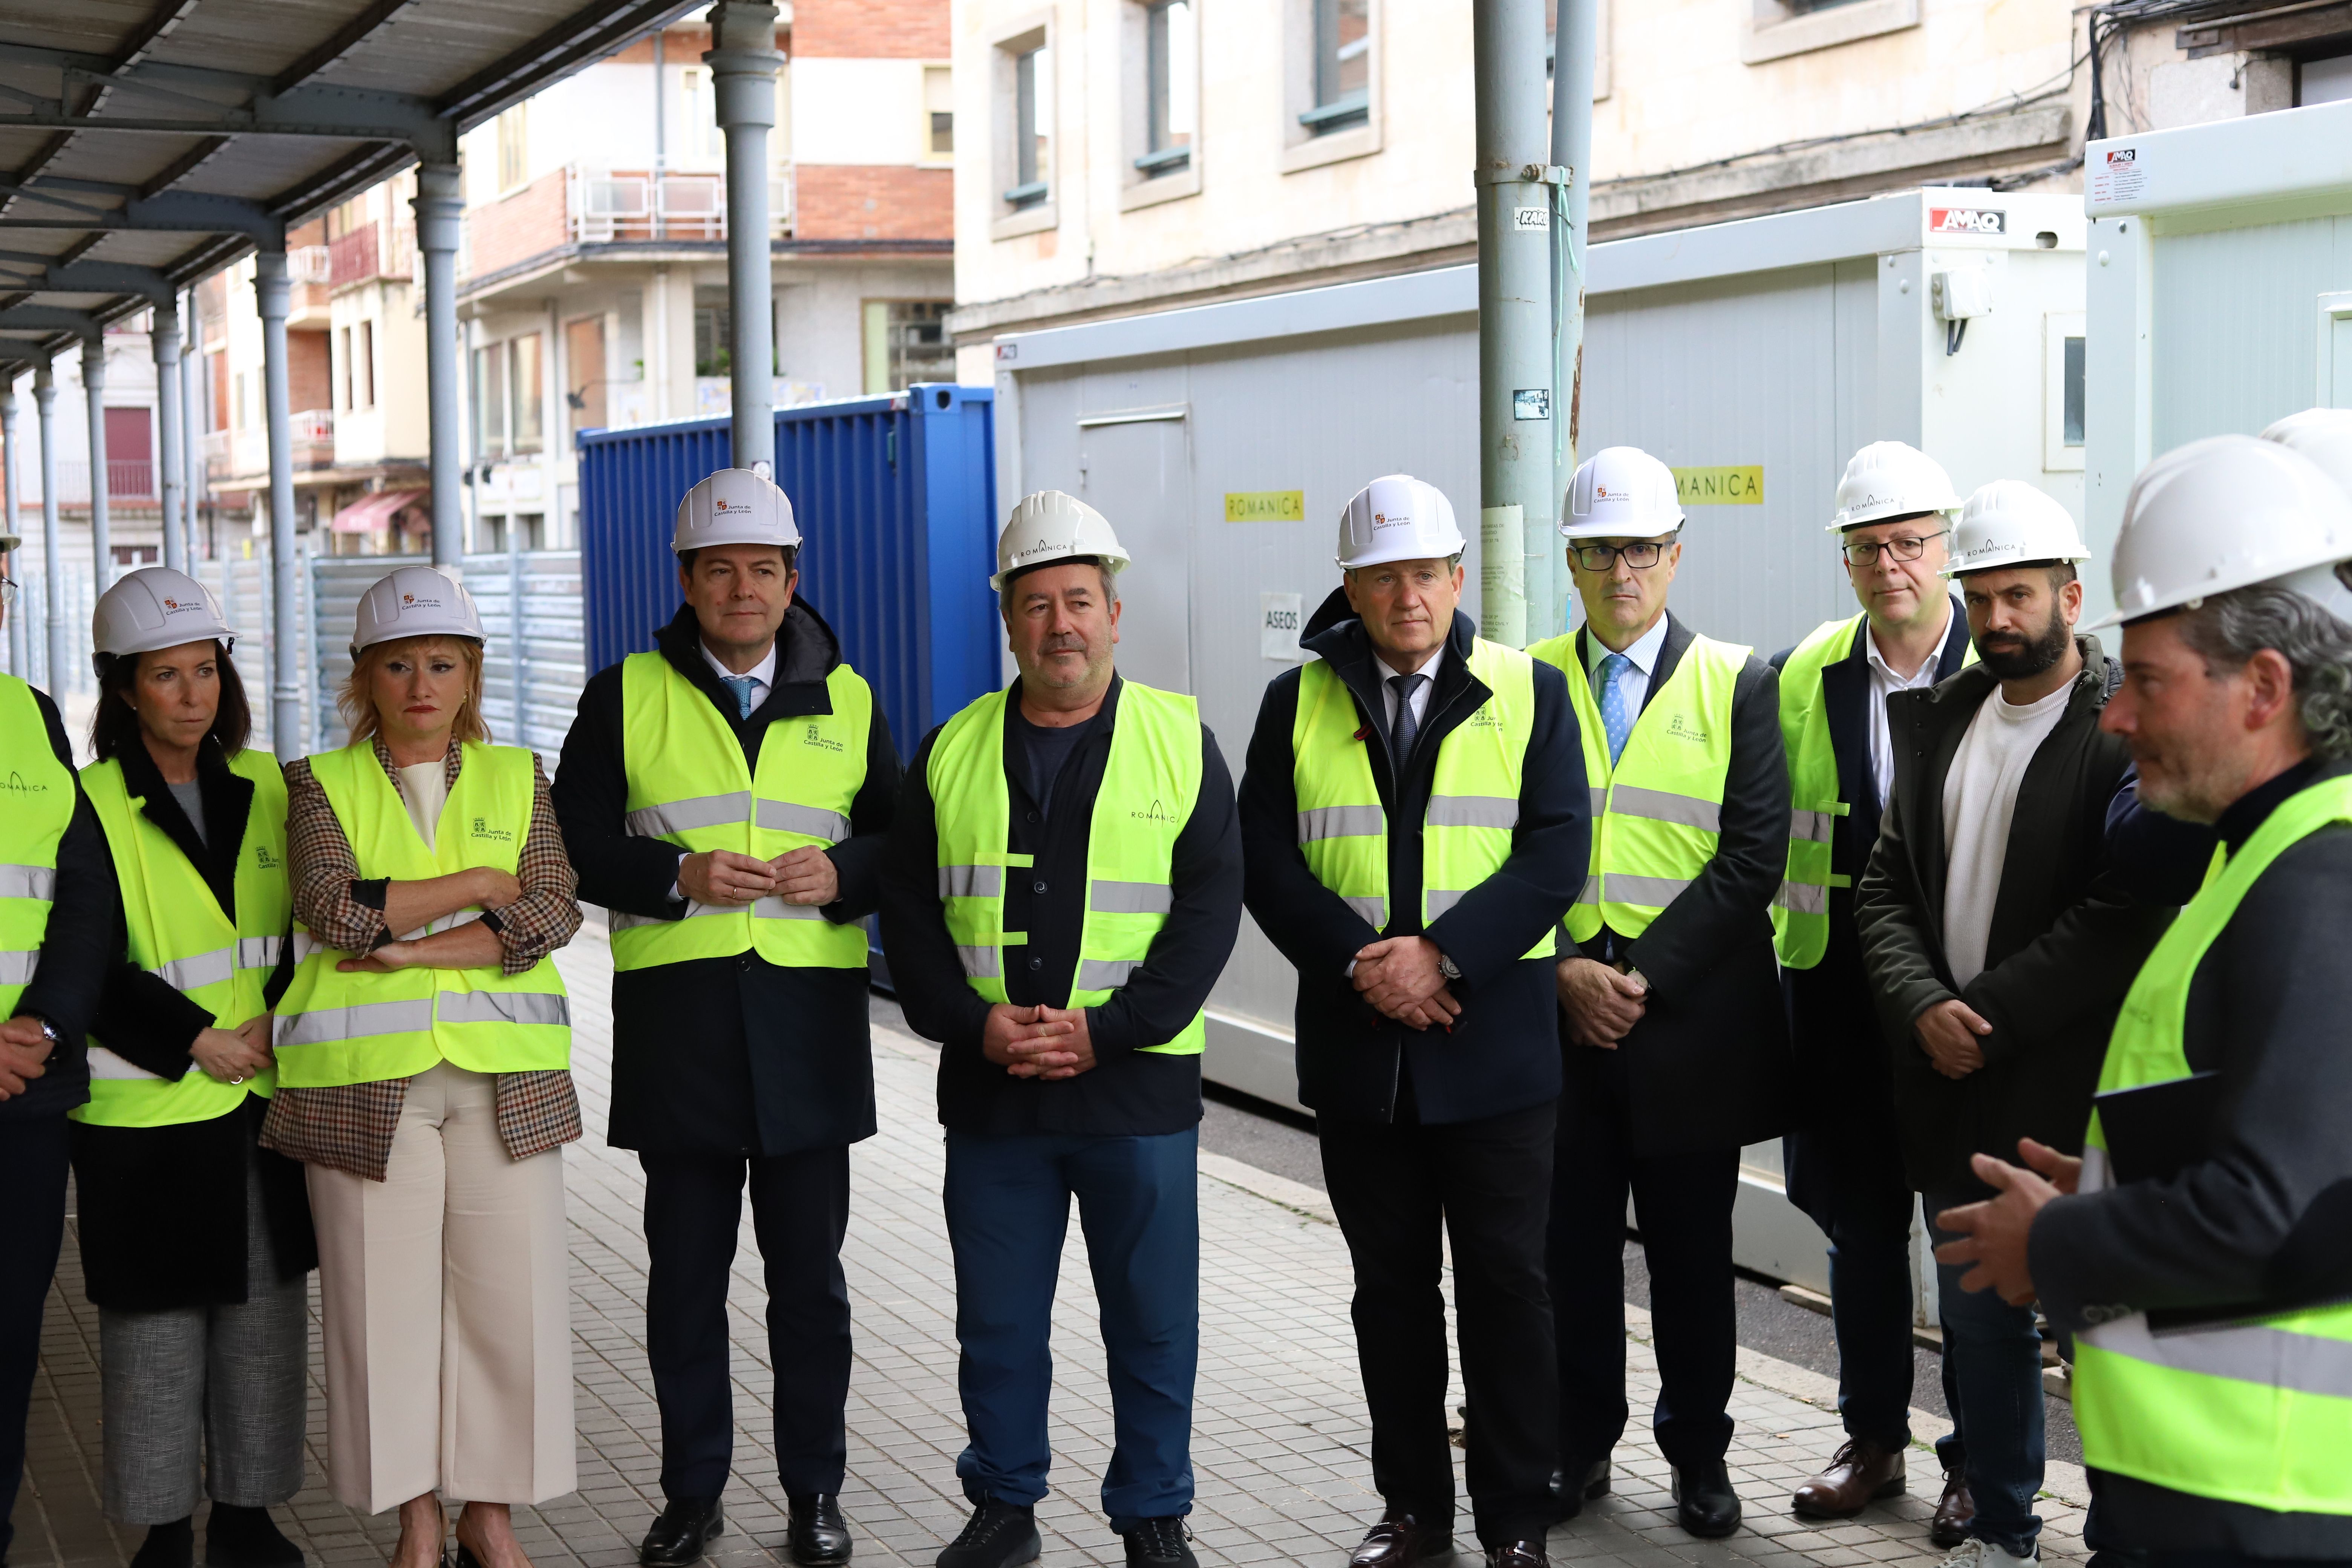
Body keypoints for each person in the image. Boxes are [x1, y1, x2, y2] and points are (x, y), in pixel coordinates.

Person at [1935, 428, 2352, 1568]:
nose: (2118, 717)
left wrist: (2063, 1239)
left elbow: (2291, 1214)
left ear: (2265, 687)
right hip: (2218, 1487)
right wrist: (2120, 1183)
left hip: (2266, 1503)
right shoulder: (2260, 856)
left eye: (2152, 682)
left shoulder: (2321, 878)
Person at [880, 490, 1242, 1568]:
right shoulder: (949, 752)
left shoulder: (1182, 740)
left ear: (1115, 613)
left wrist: (1110, 1033)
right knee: (996, 1323)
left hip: (1133, 1092)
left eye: (1078, 601)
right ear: (1008, 619)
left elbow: (1207, 914)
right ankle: (1005, 1505)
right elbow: (907, 922)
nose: (1060, 626)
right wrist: (975, 1027)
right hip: (995, 1096)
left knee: (1152, 1322)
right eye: (1035, 605)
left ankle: (1153, 1514)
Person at [553, 468, 899, 1568]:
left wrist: (841, 871)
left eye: (762, 569)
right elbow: (572, 842)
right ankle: (690, 1494)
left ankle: (816, 1495)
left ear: (792, 581)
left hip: (808, 1028)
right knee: (684, 1287)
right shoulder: (625, 693)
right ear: (688, 581)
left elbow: (902, 844)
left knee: (811, 1290)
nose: (742, 589)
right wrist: (679, 872)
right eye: (719, 569)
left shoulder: (850, 698)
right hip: (682, 1031)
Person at [1240, 475, 1586, 1568]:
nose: (1408, 596)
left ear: (1457, 578)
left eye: (1426, 573)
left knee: (1508, 1293)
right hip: (1362, 1059)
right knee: (1390, 1299)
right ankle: (1414, 1515)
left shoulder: (1528, 691)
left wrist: (1443, 957)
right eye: (1384, 576)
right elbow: (1266, 862)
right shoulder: (1295, 703)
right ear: (1350, 585)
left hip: (1495, 1055)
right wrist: (1364, 964)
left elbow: (1555, 856)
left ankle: (1516, 1522)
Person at [1853, 483, 2171, 1568]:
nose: (1996, 619)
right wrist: (1922, 1008)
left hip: (2072, 1096)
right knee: (1980, 1327)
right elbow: (1884, 886)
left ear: (2070, 595)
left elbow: (2118, 917)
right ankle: (2001, 1527)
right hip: (1954, 1082)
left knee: (2102, 1337)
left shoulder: (2122, 731)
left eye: (2019, 595)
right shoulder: (1940, 720)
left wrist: (1977, 1013)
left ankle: (2123, 1537)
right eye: (1980, 596)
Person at [262, 567, 582, 1568]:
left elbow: (551, 911)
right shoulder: (317, 782)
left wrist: (416, 946)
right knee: (380, 1305)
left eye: (442, 663)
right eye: (397, 665)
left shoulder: (519, 774)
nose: (420, 684)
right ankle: (413, 1516)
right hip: (367, 1087)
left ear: (472, 673)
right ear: (363, 678)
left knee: (509, 1300)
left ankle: (490, 1512)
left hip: (505, 1080)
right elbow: (331, 905)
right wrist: (483, 886)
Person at [1527, 446, 1791, 1541]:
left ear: (1676, 555)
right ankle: (1579, 1444)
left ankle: (1702, 1458)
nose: (1620, 570)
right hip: (1560, 1022)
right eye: (1598, 550)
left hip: (1689, 1029)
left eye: (1639, 548)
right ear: (1573, 561)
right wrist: (1565, 967)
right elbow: (1494, 847)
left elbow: (1754, 853)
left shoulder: (1740, 681)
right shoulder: (1523, 678)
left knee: (1692, 1263)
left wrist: (1637, 975)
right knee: (1569, 1254)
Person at [69, 570, 312, 1568]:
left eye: (205, 671)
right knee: (155, 1341)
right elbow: (79, 953)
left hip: (262, 1096)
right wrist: (195, 1039)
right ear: (124, 689)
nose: (191, 694)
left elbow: (312, 926)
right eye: (164, 676)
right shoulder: (90, 801)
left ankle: (250, 1520)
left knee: (263, 1324)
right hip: (148, 1108)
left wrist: (278, 1025)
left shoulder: (271, 787)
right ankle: (165, 1532)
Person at [1770, 444, 1977, 1531]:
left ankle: (1975, 1456)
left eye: (1909, 543)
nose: (1890, 565)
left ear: (1946, 544)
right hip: (1841, 990)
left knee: (1965, 1230)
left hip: (1963, 994)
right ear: (1845, 561)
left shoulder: (2000, 662)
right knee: (1860, 1231)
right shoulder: (1807, 672)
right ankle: (1875, 1440)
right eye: (1868, 547)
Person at [0, 530, 118, 1568]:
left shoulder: (27, 715)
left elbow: (82, 896)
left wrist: (42, 1024)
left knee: (6, 1344)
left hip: (21, 1099)